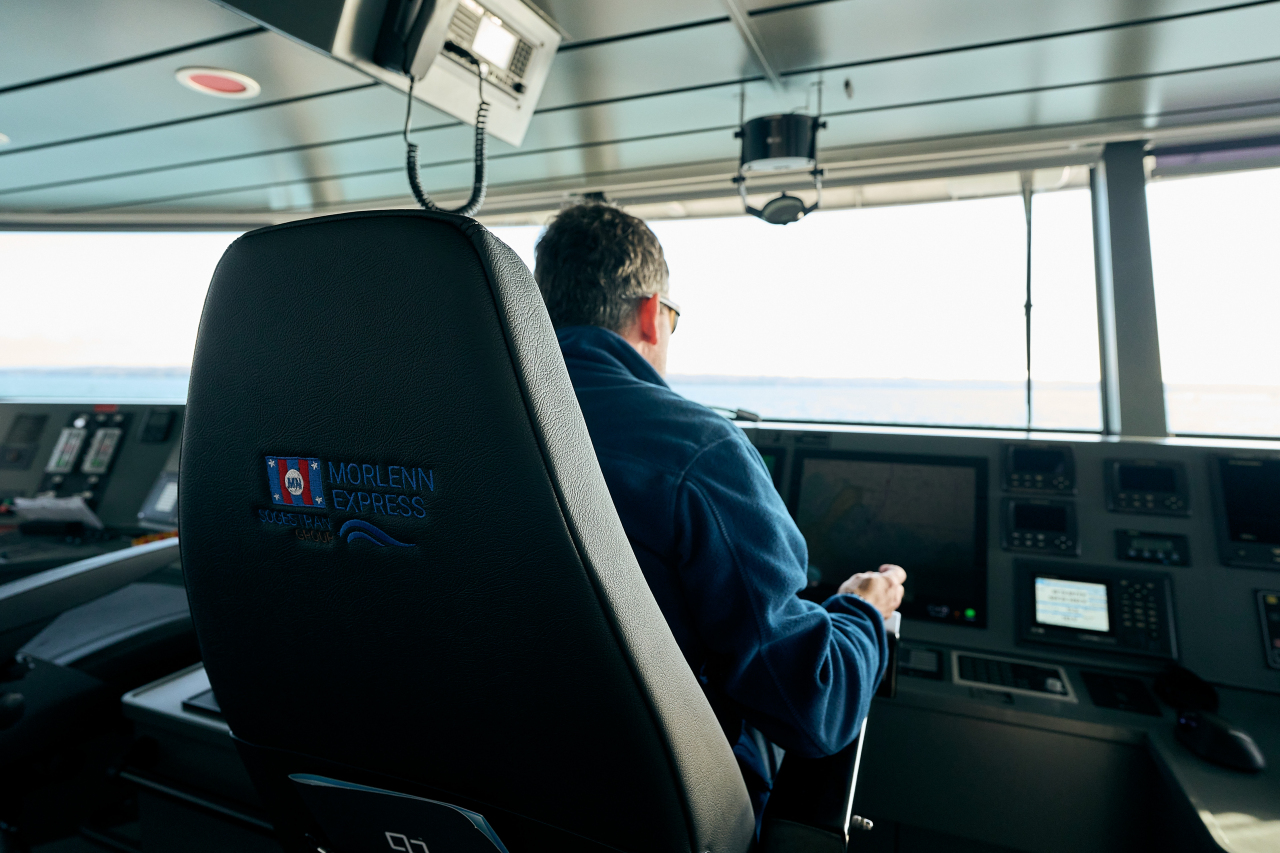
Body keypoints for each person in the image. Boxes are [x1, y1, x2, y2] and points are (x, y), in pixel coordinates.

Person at [532, 202, 906, 815]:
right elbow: (813, 707)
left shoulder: (461, 426)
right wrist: (863, 610)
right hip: (648, 806)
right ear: (652, 315)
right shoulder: (700, 452)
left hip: (495, 786)